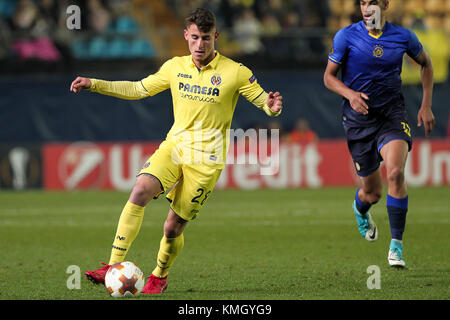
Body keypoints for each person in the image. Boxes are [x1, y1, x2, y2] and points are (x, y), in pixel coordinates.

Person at [70, 8, 282, 293]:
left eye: (206, 38)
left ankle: (159, 275)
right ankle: (111, 265)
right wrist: (94, 83)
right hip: (175, 147)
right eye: (194, 37)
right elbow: (137, 89)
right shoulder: (174, 67)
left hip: (206, 162)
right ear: (186, 36)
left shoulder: (236, 72)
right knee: (140, 190)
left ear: (215, 37)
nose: (199, 45)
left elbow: (264, 103)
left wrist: (272, 105)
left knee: (172, 227)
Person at [323, 0, 435, 268]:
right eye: (362, 2)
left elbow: (426, 63)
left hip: (391, 116)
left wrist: (426, 104)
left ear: (384, 4)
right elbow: (328, 77)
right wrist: (350, 95)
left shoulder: (403, 36)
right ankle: (360, 209)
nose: (366, 7)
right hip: (358, 121)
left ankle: (396, 246)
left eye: (372, 2)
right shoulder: (346, 36)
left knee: (395, 173)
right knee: (372, 194)